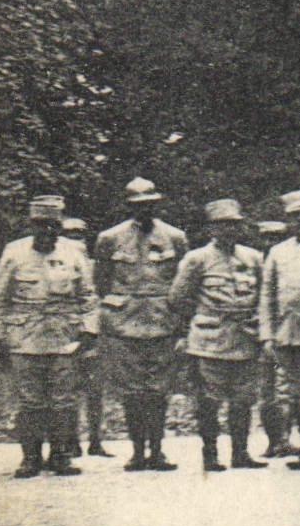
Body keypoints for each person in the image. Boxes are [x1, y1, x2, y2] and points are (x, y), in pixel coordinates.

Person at [0, 195, 99, 477]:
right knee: (30, 401)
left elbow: (88, 295)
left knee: (63, 399)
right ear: (31, 224)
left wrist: (88, 330)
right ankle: (31, 457)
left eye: (52, 225)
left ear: (60, 225)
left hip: (64, 337)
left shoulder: (74, 252)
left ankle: (61, 455)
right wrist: (0, 336)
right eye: (40, 225)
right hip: (24, 337)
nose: (47, 231)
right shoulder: (14, 252)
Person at [95, 177, 190, 472]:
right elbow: (101, 282)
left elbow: (183, 281)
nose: (144, 210)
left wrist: (179, 320)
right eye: (137, 205)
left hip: (163, 321)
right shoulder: (109, 238)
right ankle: (137, 452)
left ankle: (158, 451)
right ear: (128, 206)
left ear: (157, 204)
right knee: (132, 390)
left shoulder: (175, 237)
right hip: (125, 324)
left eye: (149, 204)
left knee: (159, 390)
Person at [170, 199, 265, 471]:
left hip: (245, 336)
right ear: (212, 229)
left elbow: (264, 294)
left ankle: (241, 453)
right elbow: (177, 298)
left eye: (234, 225)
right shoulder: (197, 258)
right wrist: (205, 315)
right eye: (222, 226)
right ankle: (210, 455)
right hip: (210, 339)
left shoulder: (253, 257)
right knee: (209, 400)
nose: (229, 231)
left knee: (243, 399)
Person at [259, 189, 300, 470]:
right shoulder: (278, 251)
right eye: (296, 217)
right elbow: (267, 296)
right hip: (291, 334)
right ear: (288, 220)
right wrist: (267, 334)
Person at [60, 217, 111, 459]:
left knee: (95, 390)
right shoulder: (60, 265)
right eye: (70, 235)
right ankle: (72, 441)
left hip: (95, 334)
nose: (75, 240)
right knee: (68, 389)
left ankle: (95, 440)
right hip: (66, 334)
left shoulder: (94, 265)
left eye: (79, 235)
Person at [251, 220, 296, 458]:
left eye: (276, 237)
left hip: (284, 335)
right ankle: (273, 440)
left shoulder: (287, 261)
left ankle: (284, 439)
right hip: (258, 337)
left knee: (284, 388)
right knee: (265, 391)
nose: (271, 242)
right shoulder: (252, 263)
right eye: (266, 237)